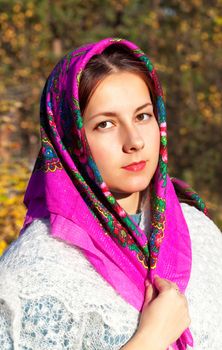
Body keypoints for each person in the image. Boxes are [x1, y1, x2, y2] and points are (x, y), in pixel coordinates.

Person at [0, 37, 221, 350]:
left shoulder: (202, 237)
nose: (134, 141)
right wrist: (150, 339)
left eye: (143, 116)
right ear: (70, 139)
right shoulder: (33, 276)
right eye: (105, 124)